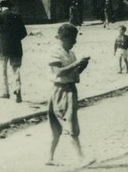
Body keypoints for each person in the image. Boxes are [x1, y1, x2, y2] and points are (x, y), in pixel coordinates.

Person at [48, 23, 89, 165]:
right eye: (72, 39)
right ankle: (81, 158)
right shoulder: (55, 52)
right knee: (70, 124)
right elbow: (58, 72)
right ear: (64, 38)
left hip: (70, 89)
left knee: (59, 128)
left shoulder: (71, 54)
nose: (74, 42)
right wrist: (76, 63)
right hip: (60, 91)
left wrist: (82, 66)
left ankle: (49, 158)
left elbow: (73, 73)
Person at [0, 0, 27, 103]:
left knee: (3, 70)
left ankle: (5, 92)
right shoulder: (17, 16)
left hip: (3, 47)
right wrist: (15, 39)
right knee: (16, 69)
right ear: (10, 6)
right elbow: (24, 33)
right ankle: (18, 89)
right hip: (16, 47)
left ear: (0, 6)